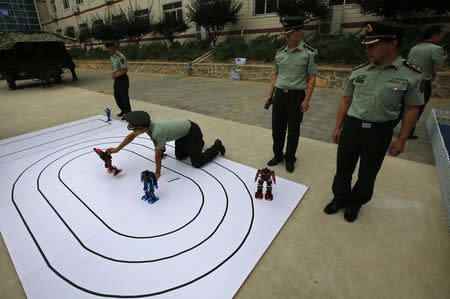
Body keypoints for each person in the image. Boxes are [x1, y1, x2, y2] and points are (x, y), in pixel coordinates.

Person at [323, 22, 425, 222]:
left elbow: (412, 108)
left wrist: (402, 139)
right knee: (343, 167)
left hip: (379, 131)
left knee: (368, 172)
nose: (367, 50)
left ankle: (355, 203)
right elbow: (346, 100)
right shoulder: (360, 70)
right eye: (366, 45)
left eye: (373, 45)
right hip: (352, 126)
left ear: (392, 44)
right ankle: (340, 198)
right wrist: (337, 127)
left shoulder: (411, 74)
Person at [106, 111, 226, 180]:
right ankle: (198, 144)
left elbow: (157, 156)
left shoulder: (157, 131)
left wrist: (157, 173)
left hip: (192, 131)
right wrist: (117, 149)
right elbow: (131, 137)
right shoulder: (147, 125)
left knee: (197, 163)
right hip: (181, 135)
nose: (134, 131)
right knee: (179, 156)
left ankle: (217, 146)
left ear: (142, 128)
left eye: (136, 129)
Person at [265, 14, 317, 173]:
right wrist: (270, 95)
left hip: (296, 97)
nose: (287, 37)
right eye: (285, 34)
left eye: (290, 33)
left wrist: (307, 99)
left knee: (293, 130)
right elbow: (275, 75)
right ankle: (278, 155)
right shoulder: (280, 53)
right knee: (277, 129)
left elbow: (312, 78)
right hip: (280, 95)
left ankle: (290, 158)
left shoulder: (309, 53)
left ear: (300, 31)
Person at [405, 25, 447, 139]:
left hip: (409, 80)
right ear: (435, 35)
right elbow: (439, 67)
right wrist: (443, 60)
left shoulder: (415, 47)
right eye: (441, 34)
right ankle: (408, 132)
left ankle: (404, 130)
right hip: (423, 83)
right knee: (418, 108)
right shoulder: (436, 49)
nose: (443, 36)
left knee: (407, 106)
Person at [105, 41, 131, 120]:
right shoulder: (112, 57)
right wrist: (113, 74)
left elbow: (125, 70)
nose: (108, 51)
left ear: (113, 48)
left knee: (124, 97)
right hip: (117, 79)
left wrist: (116, 74)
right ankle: (123, 110)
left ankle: (128, 113)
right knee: (117, 95)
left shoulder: (120, 56)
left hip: (123, 79)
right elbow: (115, 68)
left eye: (109, 49)